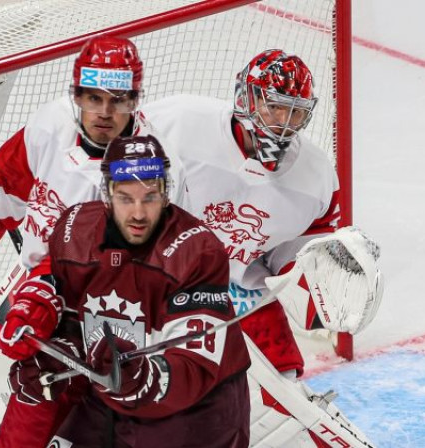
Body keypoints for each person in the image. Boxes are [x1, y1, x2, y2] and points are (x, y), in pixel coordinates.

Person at [0, 36, 187, 447]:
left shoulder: (148, 166)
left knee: (99, 408)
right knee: (38, 390)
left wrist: (46, 290)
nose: (104, 112)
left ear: (135, 100)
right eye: (93, 97)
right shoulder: (48, 127)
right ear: (76, 94)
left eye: (117, 99)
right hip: (54, 294)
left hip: (129, 310)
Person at [142, 49, 380, 446]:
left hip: (241, 297)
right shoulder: (178, 124)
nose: (285, 123)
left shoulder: (316, 178)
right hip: (155, 290)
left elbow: (293, 262)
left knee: (284, 397)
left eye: (296, 112)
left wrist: (326, 280)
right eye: (275, 108)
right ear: (245, 99)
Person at [4, 135, 251, 447]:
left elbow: (194, 367)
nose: (138, 213)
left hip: (193, 414)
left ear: (166, 194)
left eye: (149, 197)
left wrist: (144, 378)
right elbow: (72, 326)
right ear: (107, 194)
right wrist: (55, 360)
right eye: (125, 198)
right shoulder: (73, 231)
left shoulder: (197, 251)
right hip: (103, 401)